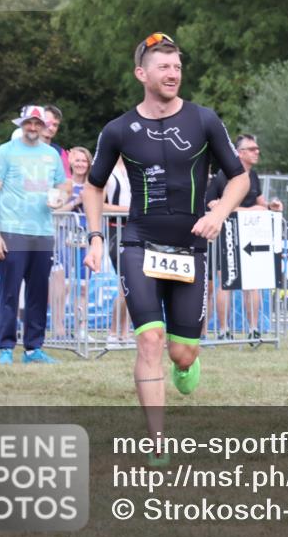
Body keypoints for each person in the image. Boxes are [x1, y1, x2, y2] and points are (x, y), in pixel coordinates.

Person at [82, 32, 248, 465]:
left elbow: (240, 177)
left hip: (189, 249)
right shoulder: (118, 129)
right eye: (163, 66)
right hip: (138, 243)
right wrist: (96, 237)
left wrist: (220, 213)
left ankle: (187, 362)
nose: (172, 73)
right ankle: (157, 441)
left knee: (180, 350)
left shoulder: (204, 120)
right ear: (142, 73)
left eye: (176, 66)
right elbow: (93, 186)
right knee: (150, 340)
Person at [0, 105, 71, 365]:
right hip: (12, 231)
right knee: (9, 293)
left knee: (37, 293)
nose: (33, 127)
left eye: (38, 123)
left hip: (43, 233)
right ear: (21, 124)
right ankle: (6, 348)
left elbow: (64, 184)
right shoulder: (5, 152)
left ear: (44, 125)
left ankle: (33, 348)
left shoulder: (51, 155)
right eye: (29, 123)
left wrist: (61, 197)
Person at [205, 133, 283, 340]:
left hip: (252, 234)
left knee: (253, 282)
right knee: (225, 282)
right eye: (252, 149)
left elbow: (258, 200)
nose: (257, 152)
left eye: (257, 148)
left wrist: (269, 206)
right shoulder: (223, 176)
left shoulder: (253, 175)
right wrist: (253, 210)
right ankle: (223, 330)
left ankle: (253, 330)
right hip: (228, 235)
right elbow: (213, 203)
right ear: (240, 153)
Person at [52, 147, 93, 340]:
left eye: (84, 161)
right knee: (65, 285)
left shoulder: (93, 185)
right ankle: (58, 327)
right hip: (65, 239)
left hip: (86, 240)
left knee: (83, 287)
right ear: (70, 163)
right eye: (77, 160)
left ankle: (81, 329)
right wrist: (76, 201)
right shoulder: (64, 185)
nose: (81, 164)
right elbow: (55, 211)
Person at [103, 156, 133, 347]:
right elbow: (101, 204)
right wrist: (129, 209)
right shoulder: (106, 169)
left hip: (137, 228)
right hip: (116, 227)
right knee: (125, 282)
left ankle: (125, 332)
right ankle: (114, 332)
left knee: (133, 284)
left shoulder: (136, 165)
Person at [43, 105, 72, 178]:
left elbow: (66, 181)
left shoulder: (60, 153)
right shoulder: (21, 148)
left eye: (55, 125)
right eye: (47, 123)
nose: (51, 128)